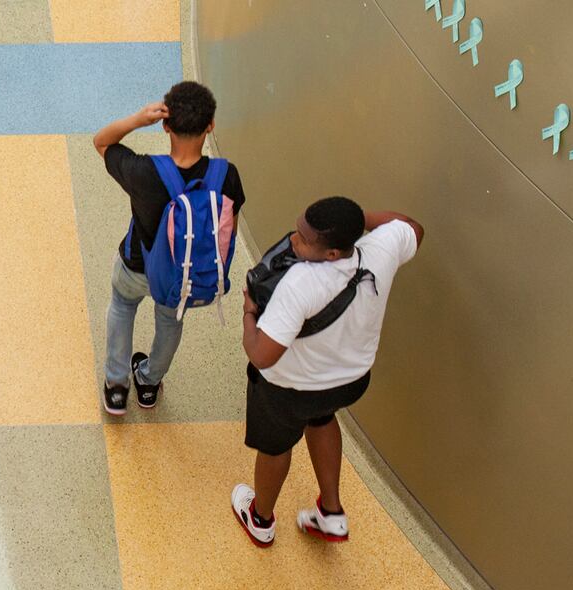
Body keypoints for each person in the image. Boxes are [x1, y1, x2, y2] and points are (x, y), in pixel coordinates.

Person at [231, 198, 423, 546]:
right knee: (321, 418)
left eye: (304, 239)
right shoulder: (379, 249)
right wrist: (356, 219)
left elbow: (262, 355)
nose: (293, 241)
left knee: (275, 447)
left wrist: (248, 315)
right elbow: (412, 226)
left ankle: (260, 519)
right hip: (349, 381)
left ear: (333, 253)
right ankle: (331, 513)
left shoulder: (300, 282)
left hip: (288, 389)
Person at [93, 80, 246, 414]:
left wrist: (137, 119)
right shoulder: (226, 175)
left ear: (164, 125)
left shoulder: (144, 171)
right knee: (170, 320)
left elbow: (102, 142)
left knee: (122, 305)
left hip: (137, 263)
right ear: (211, 125)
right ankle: (148, 383)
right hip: (184, 274)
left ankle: (117, 387)